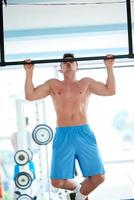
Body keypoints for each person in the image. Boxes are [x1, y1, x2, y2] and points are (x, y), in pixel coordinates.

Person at [24, 53, 116, 200]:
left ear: (77, 66)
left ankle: (78, 197)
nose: (68, 63)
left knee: (99, 178)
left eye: (72, 61)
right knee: (57, 182)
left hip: (83, 133)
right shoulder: (53, 84)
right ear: (60, 68)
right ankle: (79, 190)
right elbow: (30, 95)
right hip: (63, 134)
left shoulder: (86, 83)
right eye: (64, 62)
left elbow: (110, 91)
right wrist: (29, 72)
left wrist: (109, 67)